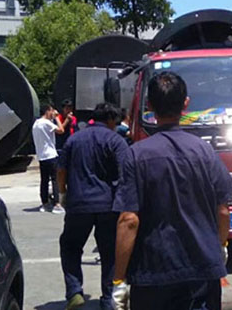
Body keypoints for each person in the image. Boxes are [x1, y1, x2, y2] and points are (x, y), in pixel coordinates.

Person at [111, 72, 232, 310]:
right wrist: (221, 246)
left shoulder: (136, 155)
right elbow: (223, 210)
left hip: (153, 275)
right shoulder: (204, 151)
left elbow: (128, 220)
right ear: (186, 104)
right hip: (202, 270)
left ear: (149, 106)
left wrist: (119, 280)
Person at [58, 103, 133, 310]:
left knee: (70, 246)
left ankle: (74, 292)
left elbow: (61, 170)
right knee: (110, 253)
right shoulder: (116, 140)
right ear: (110, 120)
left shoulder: (74, 139)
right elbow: (126, 172)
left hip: (78, 204)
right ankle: (109, 299)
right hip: (108, 204)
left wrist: (62, 193)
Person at [32, 103, 66, 213]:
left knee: (44, 180)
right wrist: (57, 118)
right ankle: (57, 204)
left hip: (41, 156)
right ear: (47, 111)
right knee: (55, 179)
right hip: (51, 155)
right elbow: (61, 130)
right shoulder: (46, 123)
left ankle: (45, 203)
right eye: (51, 111)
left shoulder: (36, 124)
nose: (52, 113)